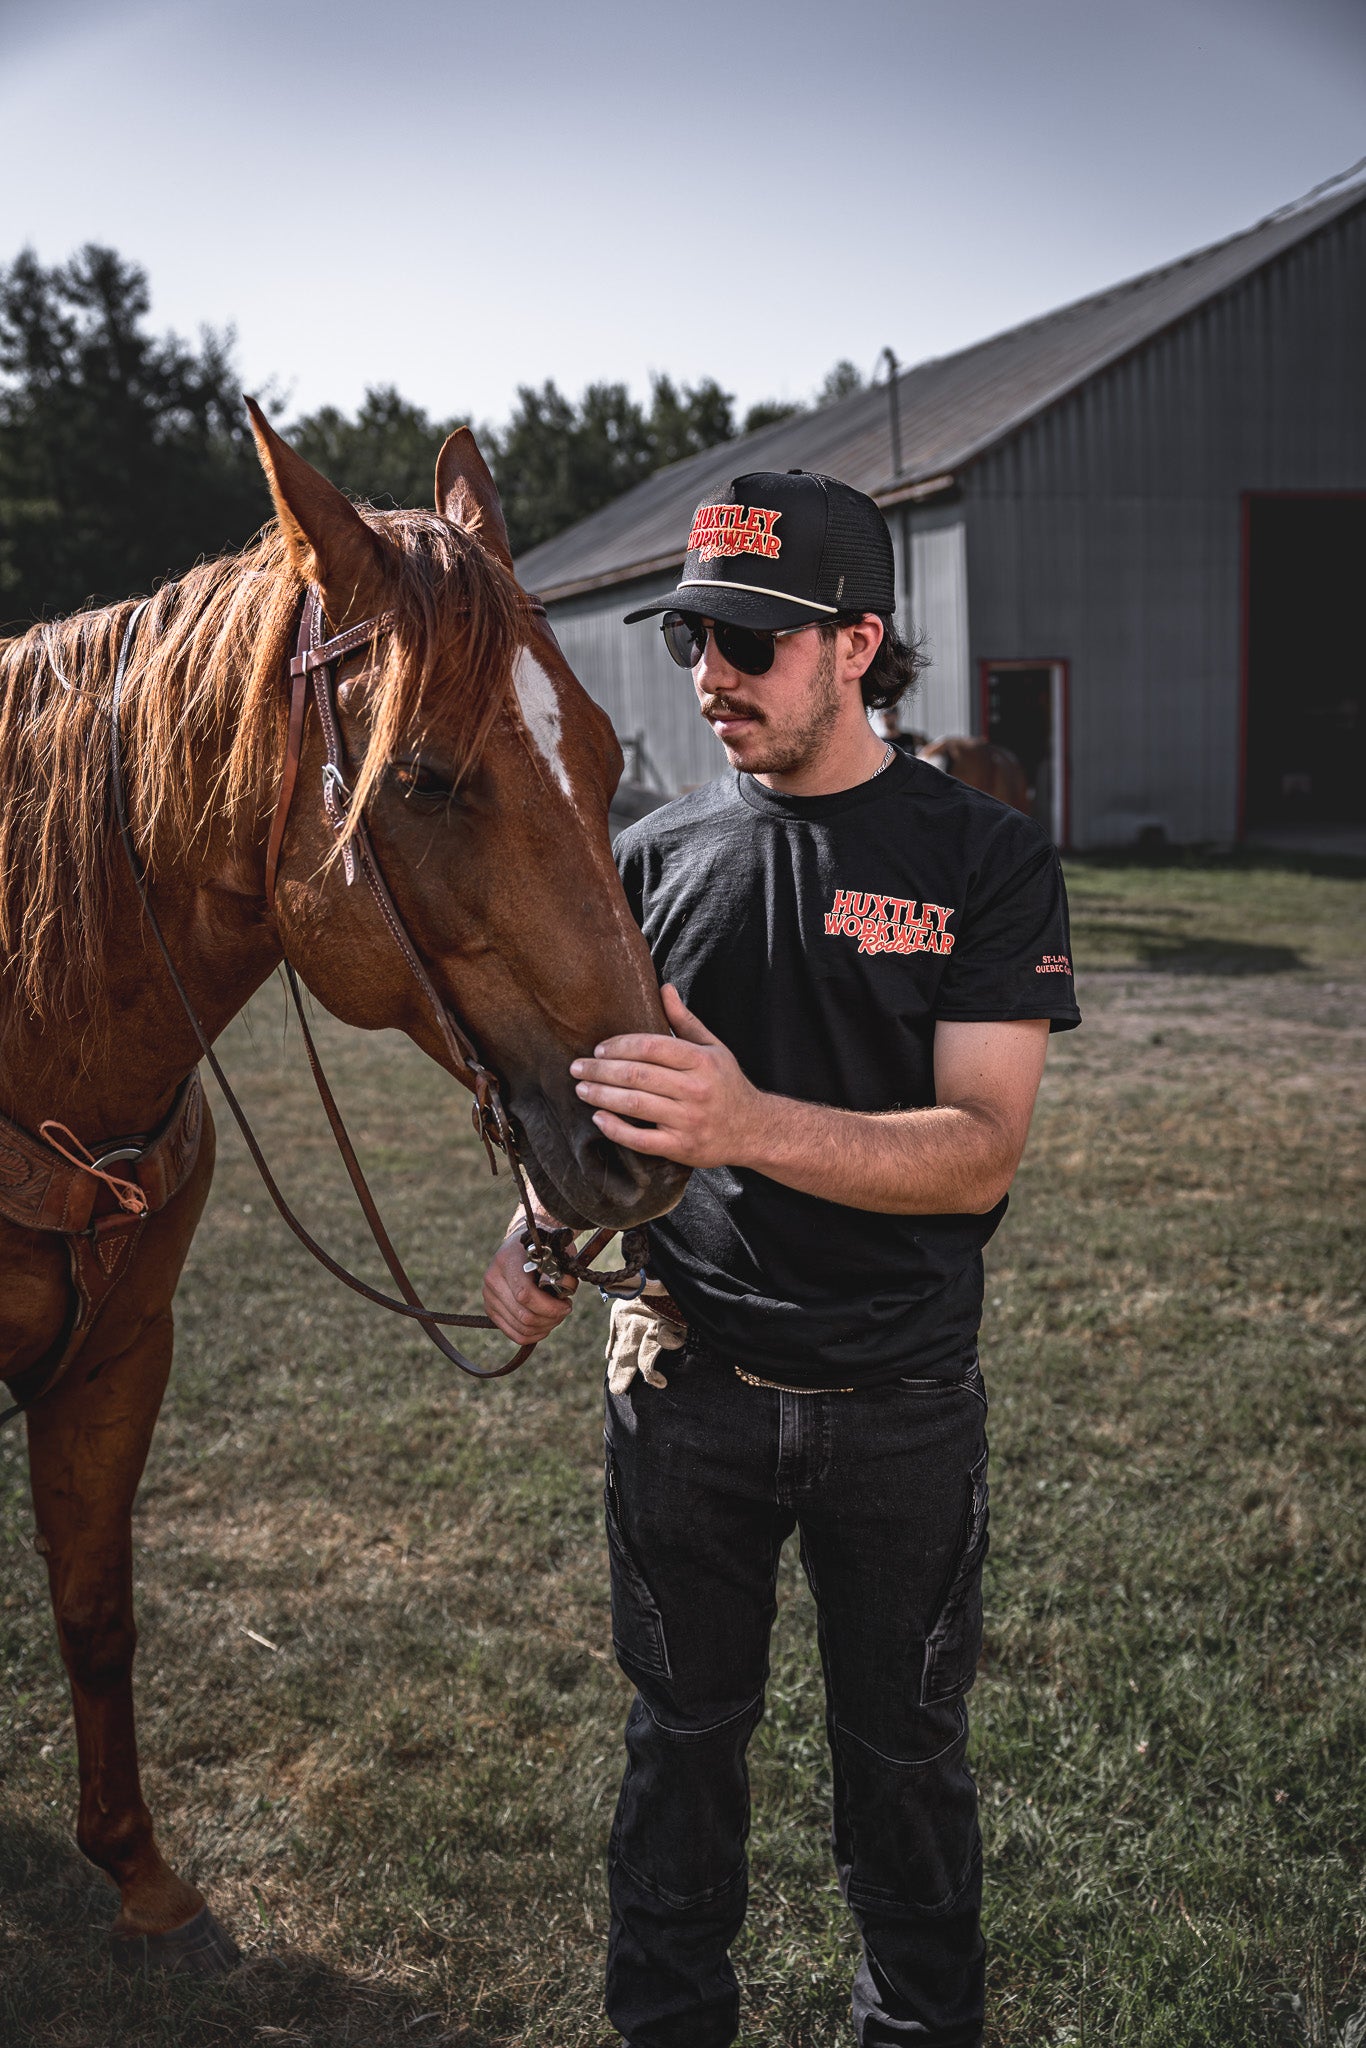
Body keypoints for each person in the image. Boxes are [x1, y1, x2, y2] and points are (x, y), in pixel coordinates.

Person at [482, 470, 1080, 2048]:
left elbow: (979, 1146)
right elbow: (617, 1116)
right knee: (680, 1742)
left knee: (903, 1763)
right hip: (687, 1394)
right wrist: (543, 1234)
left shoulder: (982, 857)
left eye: (753, 638)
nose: (709, 674)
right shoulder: (655, 856)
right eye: (694, 634)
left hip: (897, 1403)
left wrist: (748, 1120)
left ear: (858, 641)